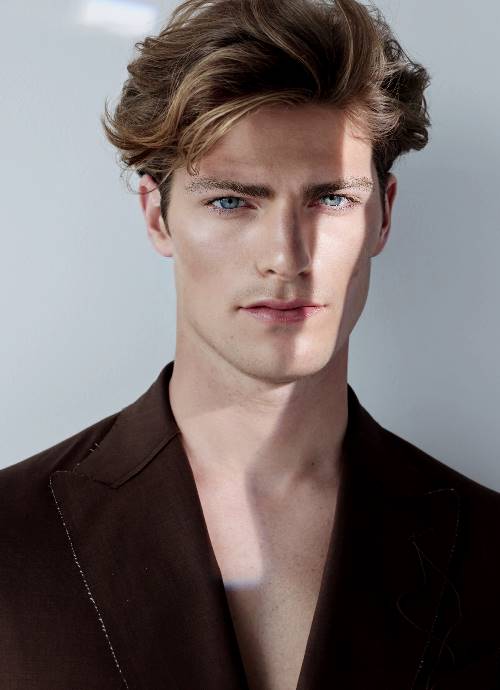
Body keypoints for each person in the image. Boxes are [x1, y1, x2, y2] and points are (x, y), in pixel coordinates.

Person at [2, 0, 500, 688]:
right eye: (232, 201)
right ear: (157, 217)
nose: (286, 258)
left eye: (330, 199)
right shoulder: (12, 536)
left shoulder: (488, 548)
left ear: (383, 215)